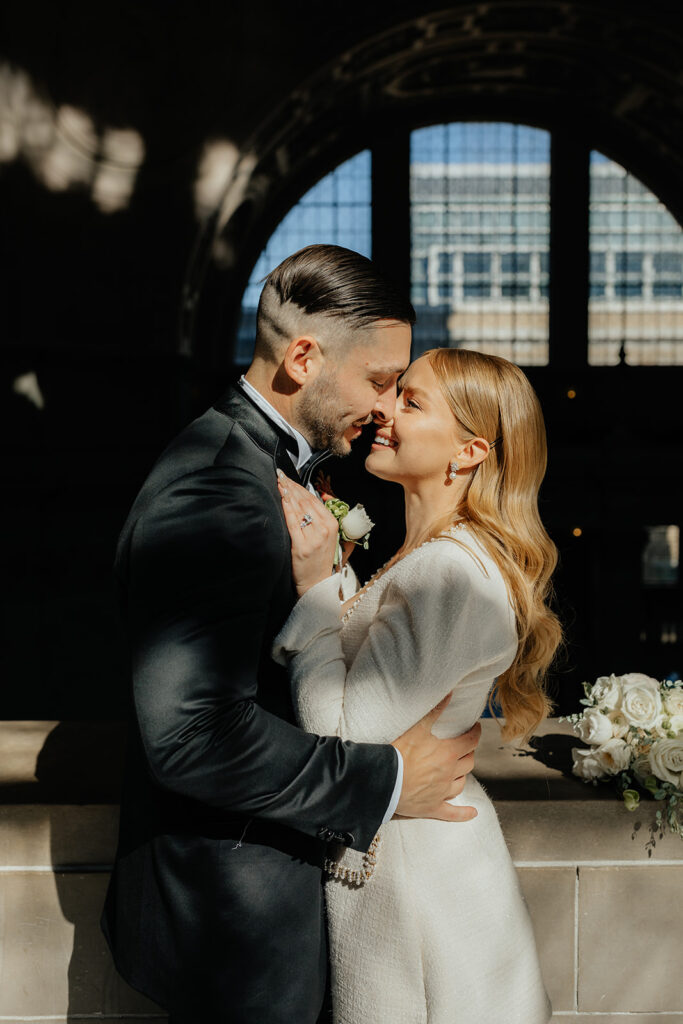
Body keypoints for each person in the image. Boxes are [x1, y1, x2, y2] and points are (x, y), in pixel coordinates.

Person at [101, 245, 483, 1023]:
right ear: (303, 357)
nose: (386, 407)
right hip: (233, 916)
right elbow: (191, 734)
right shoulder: (216, 483)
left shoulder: (272, 468)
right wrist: (382, 780)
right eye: (379, 381)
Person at [273, 346, 563, 1023]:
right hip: (409, 857)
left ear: (468, 452)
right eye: (392, 393)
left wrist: (316, 590)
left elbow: (344, 738)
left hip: (415, 889)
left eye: (411, 401)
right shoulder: (430, 559)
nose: (383, 410)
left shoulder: (448, 573)